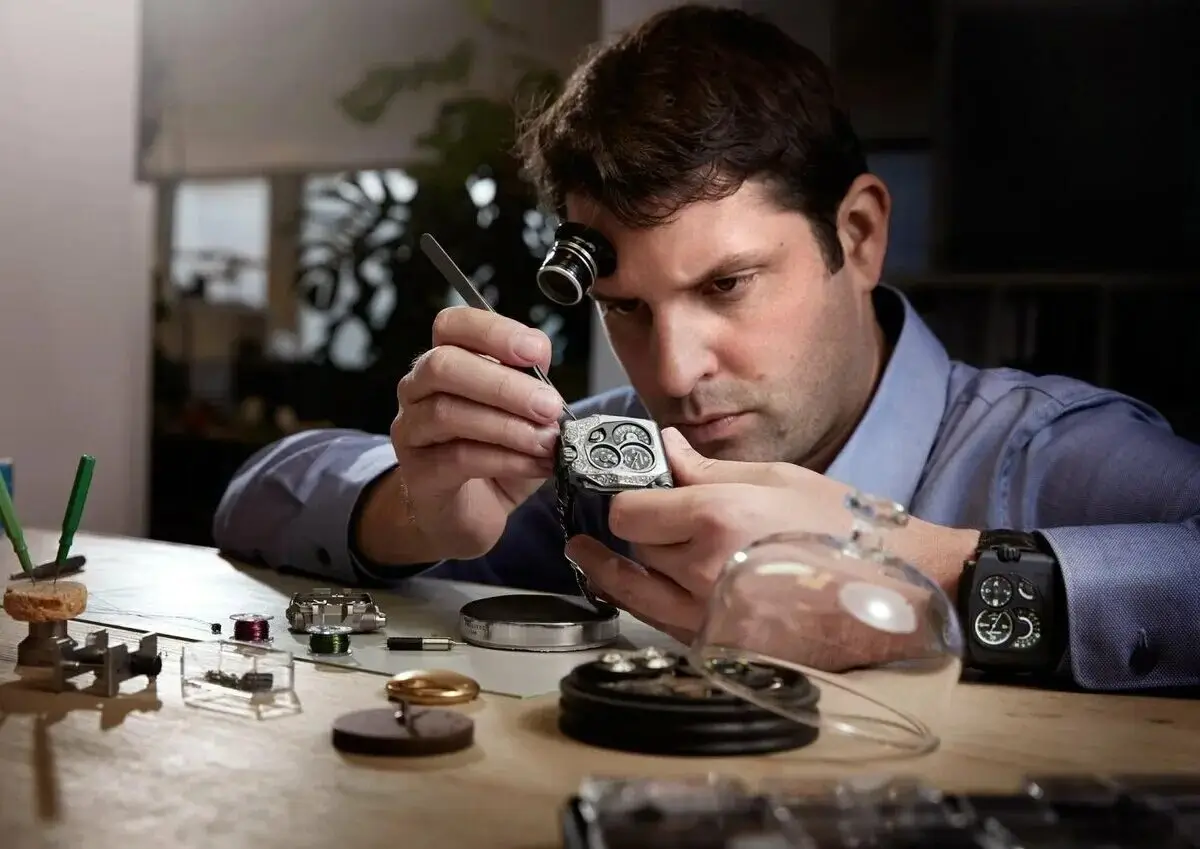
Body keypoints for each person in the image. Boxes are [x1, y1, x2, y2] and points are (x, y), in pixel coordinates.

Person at [213, 4, 1200, 693]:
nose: (674, 377)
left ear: (855, 236)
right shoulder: (598, 468)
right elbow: (260, 495)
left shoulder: (1056, 457)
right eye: (626, 307)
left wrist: (925, 581)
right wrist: (415, 510)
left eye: (726, 286)